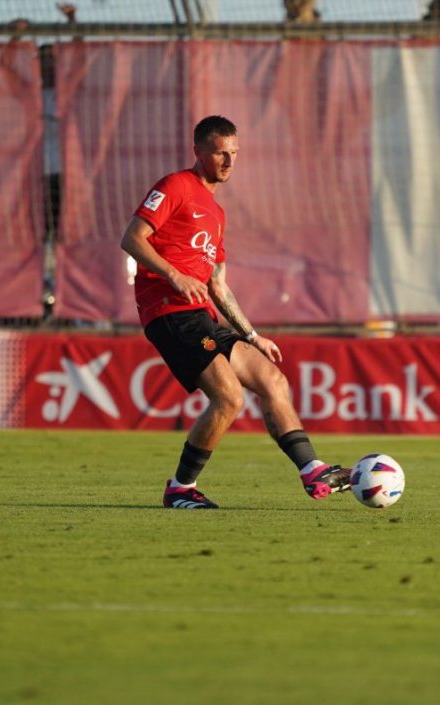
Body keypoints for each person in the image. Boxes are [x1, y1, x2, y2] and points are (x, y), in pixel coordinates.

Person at [120, 115, 351, 509]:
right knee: (228, 399)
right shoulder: (175, 186)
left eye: (234, 153)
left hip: (201, 314)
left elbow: (218, 285)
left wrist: (252, 335)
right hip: (170, 312)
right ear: (198, 152)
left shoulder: (217, 214)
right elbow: (132, 238)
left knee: (272, 379)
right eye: (220, 153)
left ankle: (312, 469)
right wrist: (174, 275)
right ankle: (180, 489)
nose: (229, 161)